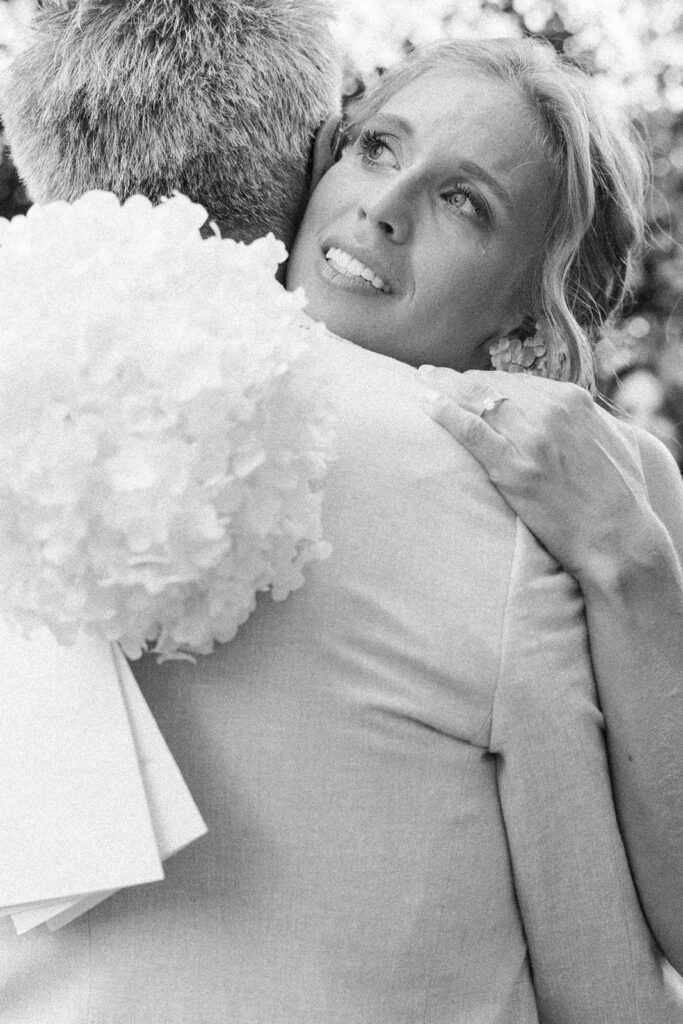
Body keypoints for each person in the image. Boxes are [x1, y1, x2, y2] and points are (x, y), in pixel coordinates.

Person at [0, 4, 681, 1020]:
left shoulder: (572, 490)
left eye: (465, 202)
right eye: (374, 147)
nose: (383, 206)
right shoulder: (88, 381)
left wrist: (629, 560)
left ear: (527, 312)